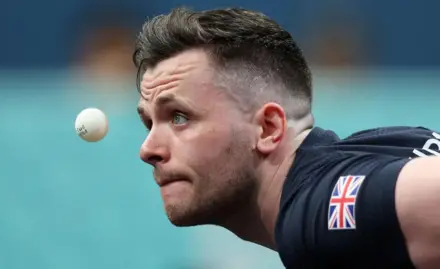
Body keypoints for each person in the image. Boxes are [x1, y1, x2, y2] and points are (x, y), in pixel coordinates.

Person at [133, 7, 440, 269]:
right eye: (149, 122)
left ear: (268, 129)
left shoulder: (317, 211)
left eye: (179, 117)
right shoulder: (392, 143)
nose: (148, 149)